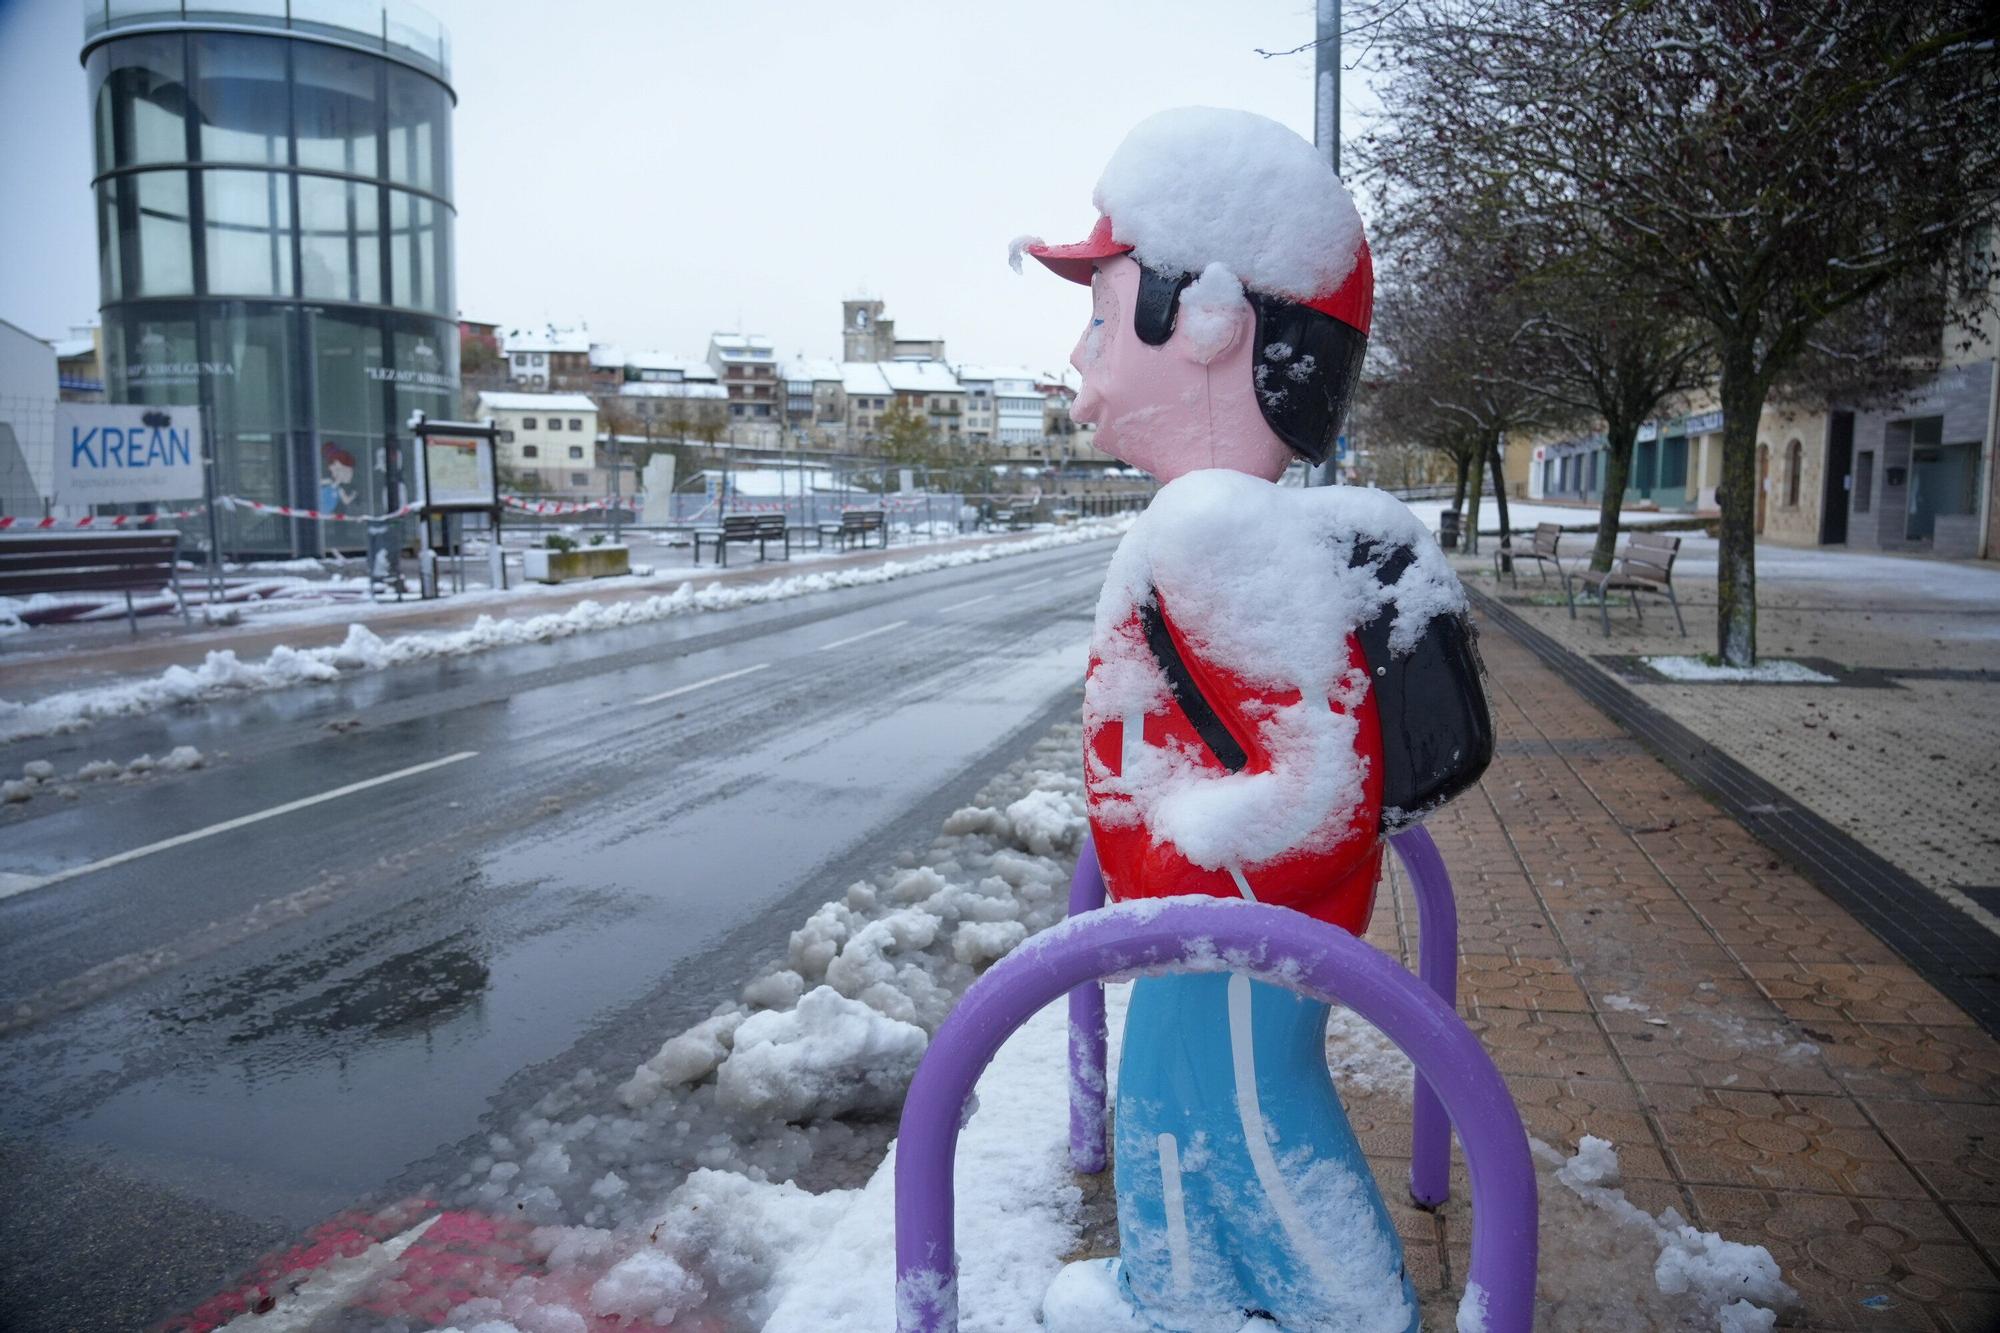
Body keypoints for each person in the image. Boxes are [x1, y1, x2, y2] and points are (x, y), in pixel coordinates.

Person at [1022, 108, 1491, 1333]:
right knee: (1179, 1121)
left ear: (1215, 320)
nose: (1078, 354)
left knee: (1247, 1124)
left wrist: (1178, 841)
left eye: (1099, 310)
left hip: (1228, 922)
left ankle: (1356, 1314)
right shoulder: (1216, 518)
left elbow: (1318, 782)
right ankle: (1169, 1294)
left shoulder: (1212, 527)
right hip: (1209, 919)